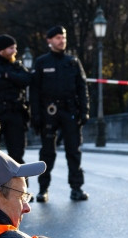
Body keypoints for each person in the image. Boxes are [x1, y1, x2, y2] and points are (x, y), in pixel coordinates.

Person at [30, 25, 89, 202]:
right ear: (49, 41)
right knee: (47, 153)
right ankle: (43, 189)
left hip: (70, 110)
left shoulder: (72, 62)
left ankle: (76, 188)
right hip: (49, 111)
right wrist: (36, 115)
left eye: (63, 37)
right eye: (57, 38)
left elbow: (82, 88)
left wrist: (84, 111)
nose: (61, 41)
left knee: (74, 151)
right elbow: (34, 91)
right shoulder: (41, 63)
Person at [0, 34, 32, 163]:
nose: (15, 51)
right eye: (11, 48)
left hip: (15, 112)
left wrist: (6, 75)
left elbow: (27, 79)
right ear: (2, 49)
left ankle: (19, 183)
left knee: (17, 156)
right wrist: (13, 79)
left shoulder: (17, 65)